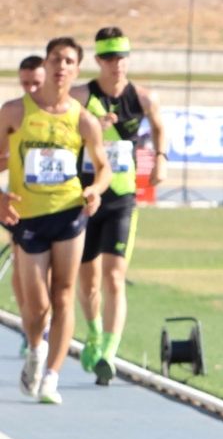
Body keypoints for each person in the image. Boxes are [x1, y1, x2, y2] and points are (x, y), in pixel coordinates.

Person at [0, 37, 108, 404]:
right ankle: (36, 349)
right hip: (28, 216)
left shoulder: (83, 119)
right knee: (37, 305)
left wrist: (96, 190)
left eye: (69, 62)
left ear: (77, 70)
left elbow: (103, 167)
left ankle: (52, 377)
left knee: (64, 294)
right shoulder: (15, 112)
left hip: (68, 212)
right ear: (45, 64)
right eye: (56, 59)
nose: (62, 67)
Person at [72, 26, 167, 384]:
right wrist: (91, 127)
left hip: (122, 197)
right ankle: (94, 332)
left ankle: (110, 352)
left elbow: (159, 126)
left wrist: (161, 159)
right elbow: (62, 127)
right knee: (88, 282)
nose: (117, 64)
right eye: (110, 58)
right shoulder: (81, 96)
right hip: (86, 196)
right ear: (99, 60)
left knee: (114, 276)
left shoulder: (142, 97)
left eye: (122, 57)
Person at [9, 55, 46, 348]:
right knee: (21, 273)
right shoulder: (15, 113)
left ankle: (43, 326)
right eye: (25, 84)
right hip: (20, 203)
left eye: (36, 83)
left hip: (59, 204)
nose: (31, 89)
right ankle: (29, 326)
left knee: (51, 277)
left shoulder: (64, 112)